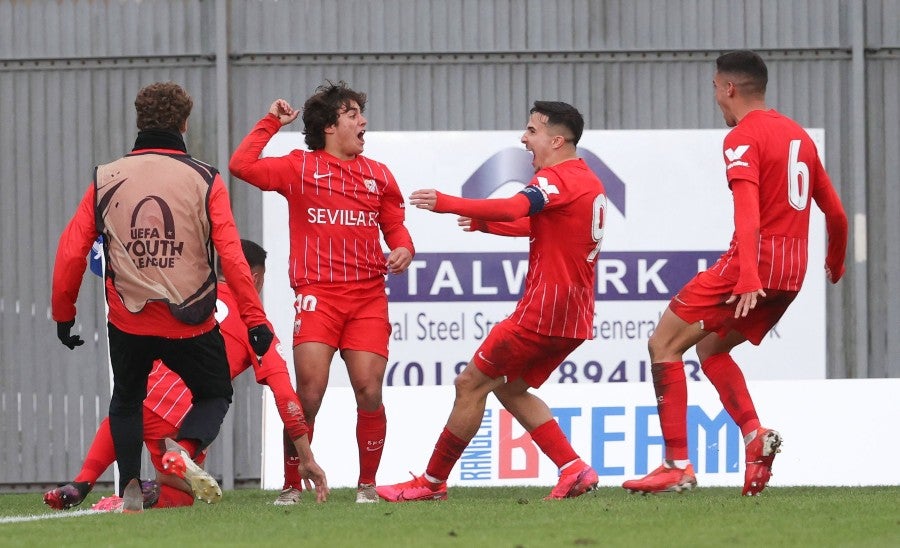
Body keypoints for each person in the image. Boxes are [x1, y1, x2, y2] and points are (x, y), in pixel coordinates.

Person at [621, 50, 848, 496]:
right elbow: (836, 212)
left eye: (714, 88)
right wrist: (836, 258)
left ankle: (676, 466)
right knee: (710, 349)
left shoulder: (742, 137)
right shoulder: (798, 135)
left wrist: (746, 275)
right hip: (791, 273)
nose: (715, 98)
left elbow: (747, 210)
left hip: (753, 266)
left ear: (729, 88)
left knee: (662, 344)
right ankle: (754, 438)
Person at [51, 82, 275, 505]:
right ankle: (183, 450)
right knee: (214, 393)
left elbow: (71, 250)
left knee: (127, 399)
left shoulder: (105, 177)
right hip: (189, 323)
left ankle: (132, 484)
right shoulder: (205, 177)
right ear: (185, 123)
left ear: (139, 122)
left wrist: (64, 314)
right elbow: (230, 253)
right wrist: (256, 319)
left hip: (129, 320)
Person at [376, 101, 607, 502]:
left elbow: (515, 206)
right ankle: (574, 468)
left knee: (470, 384)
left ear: (556, 139)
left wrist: (447, 202)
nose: (524, 138)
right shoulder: (585, 179)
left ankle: (431, 483)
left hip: (543, 310)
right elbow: (541, 226)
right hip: (574, 313)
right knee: (509, 387)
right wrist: (486, 226)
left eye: (531, 131)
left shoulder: (556, 179)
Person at [229, 81, 415, 504]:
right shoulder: (299, 167)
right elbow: (241, 164)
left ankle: (367, 485)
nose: (362, 121)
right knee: (308, 393)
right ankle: (291, 486)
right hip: (318, 294)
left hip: (368, 295)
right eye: (352, 114)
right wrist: (271, 122)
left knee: (369, 389)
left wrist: (404, 247)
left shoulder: (380, 175)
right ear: (330, 126)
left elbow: (395, 226)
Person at [44, 240, 328, 511]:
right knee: (181, 495)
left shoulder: (186, 294)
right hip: (185, 418)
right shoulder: (256, 324)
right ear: (254, 278)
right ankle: (162, 479)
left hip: (147, 391)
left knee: (125, 410)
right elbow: (283, 393)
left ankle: (82, 482)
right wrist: (306, 456)